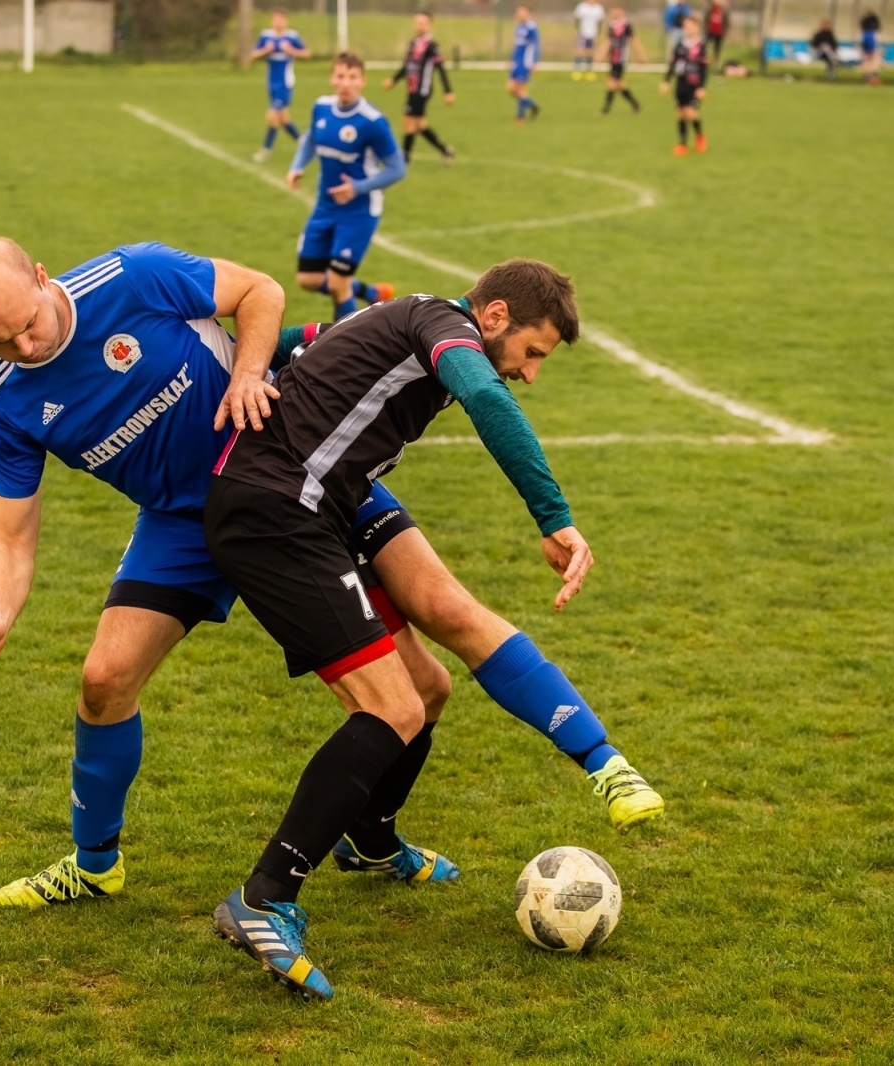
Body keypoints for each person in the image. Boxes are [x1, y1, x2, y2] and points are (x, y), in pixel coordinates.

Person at [0, 240, 664, 915]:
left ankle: (381, 839)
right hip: (183, 521)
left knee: (437, 638)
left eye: (27, 327)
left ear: (44, 278)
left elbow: (258, 291)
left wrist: (250, 373)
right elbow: (10, 537)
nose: (25, 348)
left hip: (299, 464)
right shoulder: (10, 402)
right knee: (104, 682)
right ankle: (94, 864)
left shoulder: (130, 277)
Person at [205, 261, 660, 1000]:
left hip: (333, 497)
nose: (532, 374)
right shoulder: (446, 331)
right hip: (277, 507)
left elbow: (297, 338)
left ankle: (376, 839)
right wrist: (555, 517)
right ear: (495, 316)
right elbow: (484, 394)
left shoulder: (408, 315)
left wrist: (249, 365)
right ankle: (263, 896)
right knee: (393, 708)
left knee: (429, 682)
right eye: (533, 353)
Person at [286, 53, 404, 321]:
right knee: (308, 279)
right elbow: (310, 140)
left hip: (359, 211)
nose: (346, 83)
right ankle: (369, 292)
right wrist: (297, 166)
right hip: (325, 206)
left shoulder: (372, 122)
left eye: (352, 77)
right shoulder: (322, 107)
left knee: (339, 284)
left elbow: (398, 168)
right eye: (340, 76)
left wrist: (358, 188)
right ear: (332, 78)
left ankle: (346, 348)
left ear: (362, 81)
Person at [383, 11, 455, 164]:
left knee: (408, 122)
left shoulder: (432, 46)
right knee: (420, 125)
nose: (419, 25)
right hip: (412, 89)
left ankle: (404, 160)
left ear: (429, 25)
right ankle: (446, 150)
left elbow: (441, 68)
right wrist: (394, 80)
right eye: (417, 22)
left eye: (423, 23)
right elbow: (407, 67)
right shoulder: (413, 44)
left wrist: (448, 91)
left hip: (422, 90)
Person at [249, 9, 310, 162]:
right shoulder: (266, 36)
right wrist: (265, 50)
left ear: (286, 22)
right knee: (283, 119)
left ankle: (265, 150)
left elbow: (306, 54)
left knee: (272, 117)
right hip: (271, 82)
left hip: (285, 83)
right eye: (276, 19)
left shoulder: (292, 36)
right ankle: (304, 142)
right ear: (272, 21)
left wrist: (290, 50)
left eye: (282, 19)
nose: (279, 22)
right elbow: (253, 55)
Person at [661, 14, 709, 155]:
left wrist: (702, 87)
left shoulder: (701, 46)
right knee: (681, 113)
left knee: (691, 113)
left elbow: (704, 68)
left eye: (691, 26)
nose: (688, 29)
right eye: (686, 27)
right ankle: (682, 144)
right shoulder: (680, 45)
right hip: (681, 82)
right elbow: (672, 64)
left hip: (694, 84)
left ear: (697, 28)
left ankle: (700, 136)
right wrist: (666, 81)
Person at [601, 4, 647, 114]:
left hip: (620, 59)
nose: (614, 14)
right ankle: (635, 104)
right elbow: (609, 42)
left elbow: (634, 41)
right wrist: (601, 54)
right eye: (613, 11)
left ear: (622, 12)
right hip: (613, 59)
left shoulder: (626, 26)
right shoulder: (612, 26)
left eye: (616, 11)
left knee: (611, 83)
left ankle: (605, 110)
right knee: (619, 84)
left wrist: (640, 56)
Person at [507, 6, 542, 121]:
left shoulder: (531, 28)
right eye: (519, 13)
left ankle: (520, 116)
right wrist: (511, 60)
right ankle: (532, 105)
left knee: (520, 89)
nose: (520, 15)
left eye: (523, 13)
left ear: (528, 14)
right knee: (511, 88)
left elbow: (536, 46)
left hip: (525, 62)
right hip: (517, 61)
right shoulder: (518, 27)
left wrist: (534, 63)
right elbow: (517, 46)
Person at [573, 0, 608, 79]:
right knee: (580, 51)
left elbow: (600, 22)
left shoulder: (598, 8)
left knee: (590, 52)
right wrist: (579, 32)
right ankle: (577, 70)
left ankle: (589, 71)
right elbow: (577, 20)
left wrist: (597, 34)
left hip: (592, 34)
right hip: (582, 34)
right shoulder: (582, 6)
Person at [860, 9, 882, 84]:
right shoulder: (873, 22)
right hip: (870, 37)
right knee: (875, 56)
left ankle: (868, 76)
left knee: (867, 58)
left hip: (866, 38)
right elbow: (878, 28)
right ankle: (873, 76)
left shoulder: (864, 22)